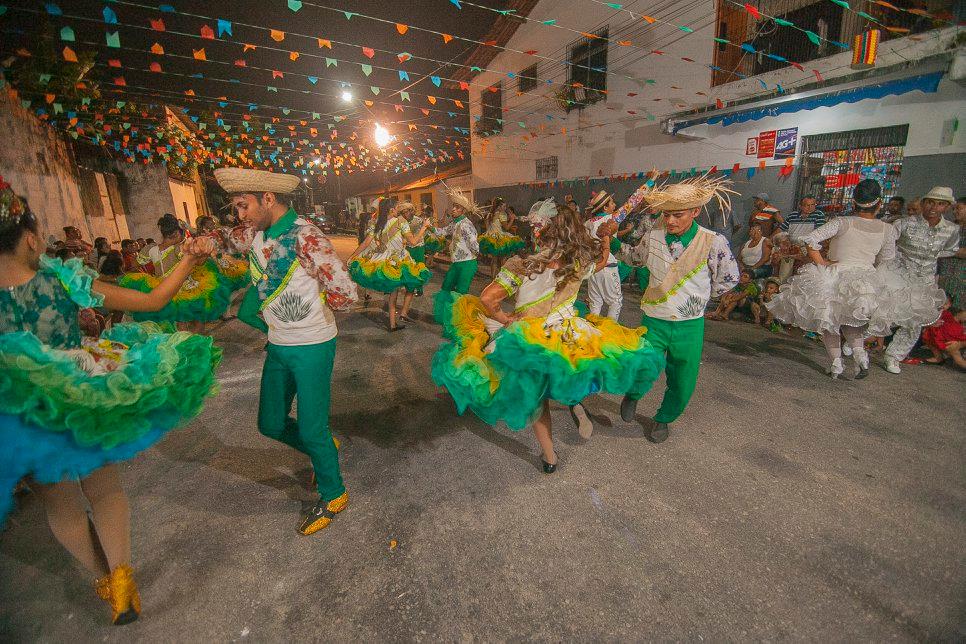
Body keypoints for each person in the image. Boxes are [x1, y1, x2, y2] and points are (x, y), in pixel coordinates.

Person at [0, 177, 220, 625]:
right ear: (30, 238)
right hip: (79, 398)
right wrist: (190, 259)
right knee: (103, 491)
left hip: (22, 416)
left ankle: (102, 579)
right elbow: (153, 300)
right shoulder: (61, 279)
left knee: (60, 506)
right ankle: (122, 583)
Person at [431, 198, 663, 471]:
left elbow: (487, 299)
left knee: (537, 397)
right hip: (568, 333)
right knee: (570, 371)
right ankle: (576, 404)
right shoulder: (578, 262)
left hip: (529, 338)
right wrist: (605, 239)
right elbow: (601, 262)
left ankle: (550, 457)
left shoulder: (522, 265)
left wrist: (505, 319)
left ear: (540, 232)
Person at [215, 167, 358, 536]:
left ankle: (334, 494)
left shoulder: (306, 237)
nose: (240, 215)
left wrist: (311, 309)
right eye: (236, 207)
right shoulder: (254, 233)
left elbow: (345, 293)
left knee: (312, 429)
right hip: (279, 345)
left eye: (244, 205)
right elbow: (226, 241)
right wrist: (200, 245)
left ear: (268, 199)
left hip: (312, 346)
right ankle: (325, 448)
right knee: (271, 423)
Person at [620, 176, 740, 442]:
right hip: (654, 319)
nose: (671, 221)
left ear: (695, 211)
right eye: (667, 215)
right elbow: (634, 258)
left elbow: (729, 278)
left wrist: (699, 298)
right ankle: (633, 394)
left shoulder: (714, 242)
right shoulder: (652, 237)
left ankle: (663, 418)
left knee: (683, 378)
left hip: (690, 324)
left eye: (678, 215)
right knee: (642, 365)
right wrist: (613, 243)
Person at [767, 179, 898, 379]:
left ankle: (836, 364)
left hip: (835, 275)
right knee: (852, 322)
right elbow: (886, 261)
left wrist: (822, 263)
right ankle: (860, 355)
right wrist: (870, 274)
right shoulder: (887, 229)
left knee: (830, 321)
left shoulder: (842, 222)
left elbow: (810, 239)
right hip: (865, 279)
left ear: (853, 202)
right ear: (879, 204)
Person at [882, 186, 960, 373]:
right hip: (899, 275)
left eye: (940, 204)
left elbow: (950, 249)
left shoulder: (951, 229)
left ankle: (894, 356)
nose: (934, 207)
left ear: (947, 207)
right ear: (924, 203)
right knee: (885, 311)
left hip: (925, 280)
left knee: (915, 321)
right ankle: (857, 342)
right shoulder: (905, 223)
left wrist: (930, 258)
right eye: (930, 202)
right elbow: (888, 243)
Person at [118, 214, 232, 333]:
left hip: (162, 290)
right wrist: (207, 251)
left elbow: (134, 265)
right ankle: (195, 341)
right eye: (182, 234)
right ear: (177, 233)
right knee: (197, 320)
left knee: (178, 324)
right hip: (183, 289)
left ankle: (182, 341)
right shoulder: (179, 248)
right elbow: (199, 263)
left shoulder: (150, 249)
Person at [348, 199, 431, 331]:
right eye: (397, 207)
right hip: (398, 260)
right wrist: (424, 227)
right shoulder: (400, 221)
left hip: (384, 260)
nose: (399, 209)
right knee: (396, 292)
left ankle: (393, 324)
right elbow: (414, 242)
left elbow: (365, 243)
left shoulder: (376, 222)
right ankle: (394, 323)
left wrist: (352, 256)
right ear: (392, 210)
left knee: (393, 293)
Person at [580, 185, 653, 322]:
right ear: (605, 208)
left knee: (595, 302)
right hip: (607, 265)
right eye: (612, 203)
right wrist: (649, 184)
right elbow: (632, 202)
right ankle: (611, 330)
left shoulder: (587, 223)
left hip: (593, 267)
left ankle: (592, 328)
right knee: (615, 301)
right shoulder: (611, 219)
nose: (615, 205)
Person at [433, 186, 481, 294]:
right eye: (453, 206)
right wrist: (428, 227)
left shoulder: (466, 225)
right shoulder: (455, 223)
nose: (453, 209)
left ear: (463, 210)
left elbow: (474, 246)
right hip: (456, 262)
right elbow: (443, 232)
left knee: (461, 292)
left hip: (467, 263)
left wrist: (469, 257)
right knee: (446, 288)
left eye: (457, 207)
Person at [478, 197, 524, 277]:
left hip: (490, 238)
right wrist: (512, 219)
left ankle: (493, 277)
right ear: (499, 207)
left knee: (494, 259)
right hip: (500, 238)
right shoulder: (502, 214)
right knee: (503, 258)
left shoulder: (489, 215)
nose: (505, 208)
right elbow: (506, 228)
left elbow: (488, 227)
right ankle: (502, 277)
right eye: (504, 206)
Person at [936, 196, 965, 308]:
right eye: (953, 209)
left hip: (962, 279)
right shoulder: (949, 227)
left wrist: (947, 250)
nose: (954, 211)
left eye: (958, 208)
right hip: (946, 276)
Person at [921, 299, 966, 369]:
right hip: (949, 335)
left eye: (945, 304)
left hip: (956, 337)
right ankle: (938, 357)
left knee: (957, 356)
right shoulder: (945, 314)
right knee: (928, 334)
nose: (942, 306)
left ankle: (960, 361)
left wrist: (960, 344)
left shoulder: (950, 315)